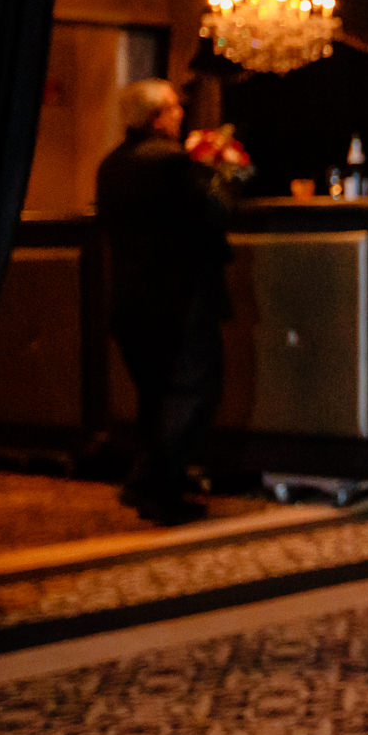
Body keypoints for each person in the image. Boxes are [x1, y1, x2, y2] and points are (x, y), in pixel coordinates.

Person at [94, 78, 231, 525]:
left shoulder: (110, 164)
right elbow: (212, 214)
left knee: (154, 397)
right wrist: (213, 168)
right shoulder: (171, 161)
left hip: (130, 300)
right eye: (173, 108)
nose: (181, 114)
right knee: (192, 393)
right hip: (180, 299)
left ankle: (144, 481)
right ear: (156, 117)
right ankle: (159, 490)